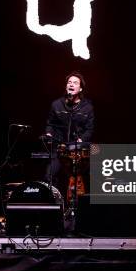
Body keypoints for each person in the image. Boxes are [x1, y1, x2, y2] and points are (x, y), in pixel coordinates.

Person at [44, 72, 94, 202]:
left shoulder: (87, 107)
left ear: (80, 88)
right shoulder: (56, 105)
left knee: (86, 176)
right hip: (59, 147)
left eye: (75, 83)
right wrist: (49, 133)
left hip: (77, 149)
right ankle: (54, 206)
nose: (71, 84)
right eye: (69, 82)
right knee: (49, 175)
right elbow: (50, 123)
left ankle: (83, 208)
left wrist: (82, 140)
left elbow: (89, 129)